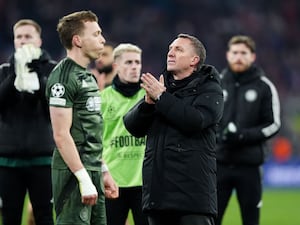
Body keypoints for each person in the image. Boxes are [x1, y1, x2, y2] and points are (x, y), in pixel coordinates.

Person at [123, 33, 224, 225]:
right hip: (158, 197)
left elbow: (195, 121)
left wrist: (161, 98)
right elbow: (132, 126)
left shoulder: (210, 89)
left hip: (193, 199)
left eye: (178, 49)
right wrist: (148, 104)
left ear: (194, 60)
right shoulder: (161, 87)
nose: (171, 53)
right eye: (170, 49)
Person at [45, 10, 118, 225]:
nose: (102, 40)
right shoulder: (63, 77)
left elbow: (90, 131)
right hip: (73, 173)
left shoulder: (87, 76)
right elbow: (61, 135)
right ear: (77, 40)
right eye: (96, 34)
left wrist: (102, 170)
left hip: (92, 168)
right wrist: (83, 178)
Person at [215, 35, 281, 225]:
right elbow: (206, 119)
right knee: (211, 219)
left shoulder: (264, 86)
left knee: (251, 220)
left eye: (244, 53)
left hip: (249, 167)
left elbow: (274, 124)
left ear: (253, 57)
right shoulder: (216, 84)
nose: (239, 57)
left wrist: (243, 136)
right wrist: (218, 136)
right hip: (220, 165)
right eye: (235, 52)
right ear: (228, 55)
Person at [0, 19, 56, 225]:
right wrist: (16, 73)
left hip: (42, 159)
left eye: (28, 36)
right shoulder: (4, 71)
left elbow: (53, 107)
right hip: (8, 160)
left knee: (44, 216)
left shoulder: (53, 71)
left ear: (39, 40)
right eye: (19, 37)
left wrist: (37, 76)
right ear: (14, 41)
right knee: (9, 217)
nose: (23, 41)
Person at [101, 43, 148, 225]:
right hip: (113, 181)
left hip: (144, 183)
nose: (135, 66)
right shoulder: (103, 98)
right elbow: (94, 140)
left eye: (137, 62)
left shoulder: (150, 97)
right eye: (128, 62)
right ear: (116, 67)